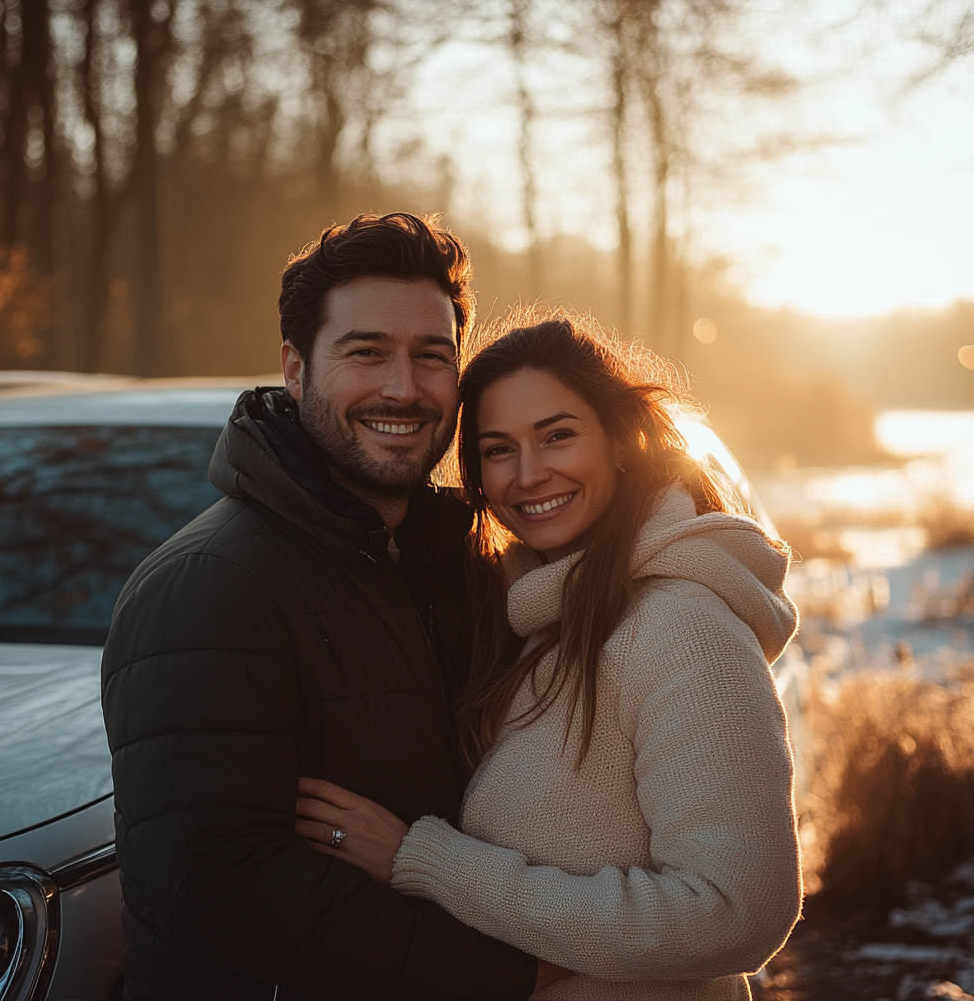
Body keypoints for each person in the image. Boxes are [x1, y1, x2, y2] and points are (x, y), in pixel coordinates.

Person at [101, 213, 556, 1000]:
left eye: (431, 357)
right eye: (366, 352)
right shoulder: (208, 585)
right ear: (296, 368)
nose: (403, 388)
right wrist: (508, 973)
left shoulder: (464, 565)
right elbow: (223, 885)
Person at [294, 316, 803, 999]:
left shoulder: (682, 629)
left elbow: (735, 914)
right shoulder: (531, 614)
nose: (530, 476)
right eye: (499, 450)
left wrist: (429, 862)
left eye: (558, 435)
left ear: (620, 442)